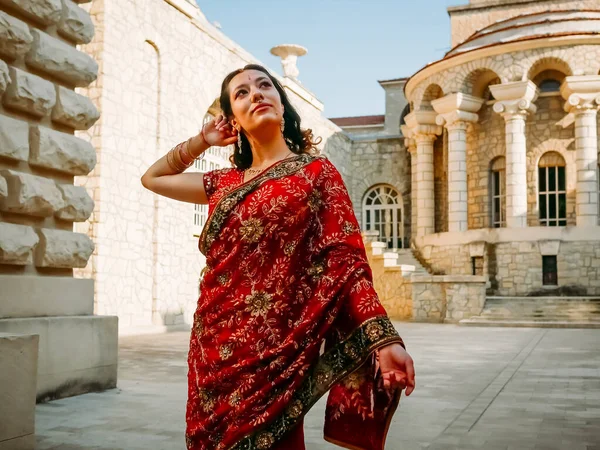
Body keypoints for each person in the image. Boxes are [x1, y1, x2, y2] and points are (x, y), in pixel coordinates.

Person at [141, 64, 415, 450]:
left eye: (264, 85)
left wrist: (383, 341)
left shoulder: (317, 173)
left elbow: (344, 261)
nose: (256, 93)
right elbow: (153, 178)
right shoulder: (224, 183)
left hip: (278, 349)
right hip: (214, 346)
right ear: (232, 119)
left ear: (282, 104)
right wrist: (203, 140)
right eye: (241, 93)